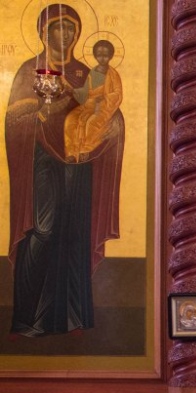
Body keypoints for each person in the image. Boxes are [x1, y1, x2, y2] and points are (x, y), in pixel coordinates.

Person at [5, 3, 124, 338]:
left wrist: (112, 123)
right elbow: (14, 120)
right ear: (44, 32)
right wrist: (44, 110)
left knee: (74, 231)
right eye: (58, 27)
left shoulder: (86, 72)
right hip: (41, 161)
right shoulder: (29, 70)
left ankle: (71, 318)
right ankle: (28, 318)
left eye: (71, 28)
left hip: (77, 162)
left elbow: (105, 107)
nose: (65, 33)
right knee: (43, 229)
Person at [65, 39, 124, 163]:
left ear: (111, 56)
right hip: (88, 104)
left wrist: (104, 98)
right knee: (71, 119)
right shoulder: (93, 72)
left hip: (104, 106)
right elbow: (86, 91)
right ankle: (71, 152)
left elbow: (118, 94)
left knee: (91, 122)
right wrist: (73, 90)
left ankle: (85, 150)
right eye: (99, 55)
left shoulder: (113, 74)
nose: (102, 58)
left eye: (105, 55)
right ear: (95, 55)